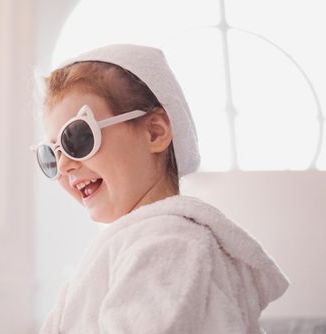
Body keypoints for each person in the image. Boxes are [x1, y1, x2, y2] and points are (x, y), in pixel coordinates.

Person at [31, 44, 289, 333]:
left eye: (77, 138)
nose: (64, 165)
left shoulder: (167, 241)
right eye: (51, 155)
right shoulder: (131, 244)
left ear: (155, 132)